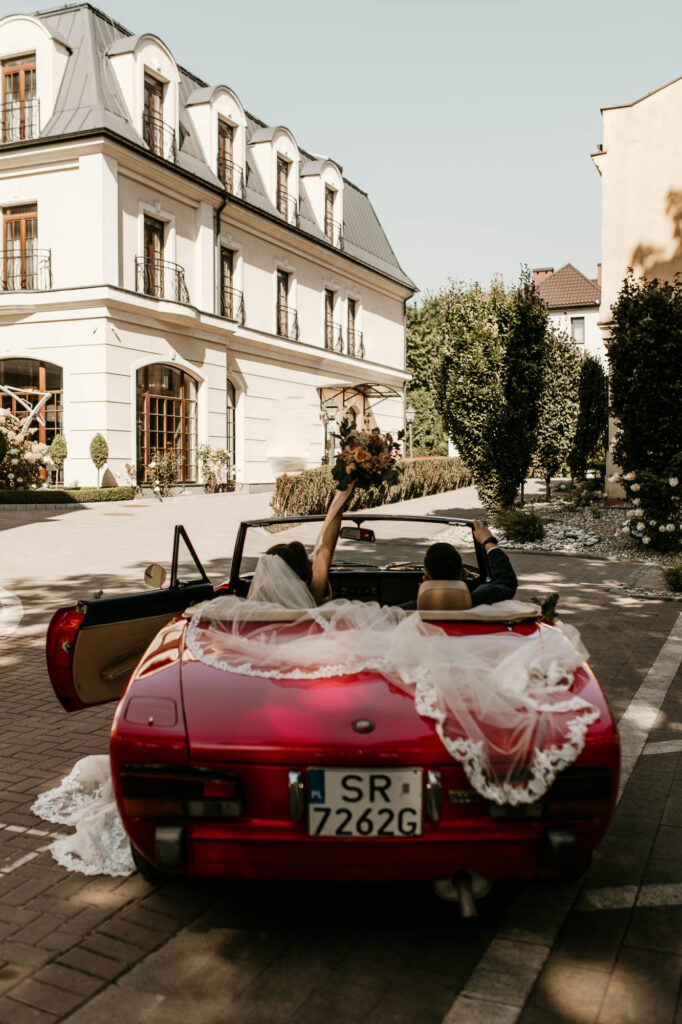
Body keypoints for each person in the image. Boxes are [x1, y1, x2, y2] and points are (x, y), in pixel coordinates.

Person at [247, 481, 356, 608]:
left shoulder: (255, 604)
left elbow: (327, 548)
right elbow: (327, 547)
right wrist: (344, 491)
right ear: (302, 571)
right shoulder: (311, 596)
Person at [402, 518, 517, 610]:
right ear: (465, 574)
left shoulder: (402, 613)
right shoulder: (482, 600)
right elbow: (506, 581)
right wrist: (488, 541)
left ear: (424, 579)